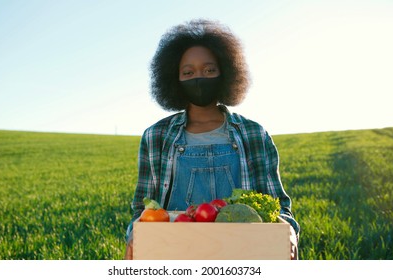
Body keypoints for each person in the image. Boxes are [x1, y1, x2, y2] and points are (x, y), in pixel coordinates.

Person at [124, 19, 299, 259]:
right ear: (174, 79)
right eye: (188, 72)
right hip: (174, 254)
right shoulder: (156, 137)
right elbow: (142, 210)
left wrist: (288, 231)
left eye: (209, 70)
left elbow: (278, 205)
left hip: (243, 253)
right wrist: (135, 235)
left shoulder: (253, 134)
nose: (199, 78)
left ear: (225, 73)